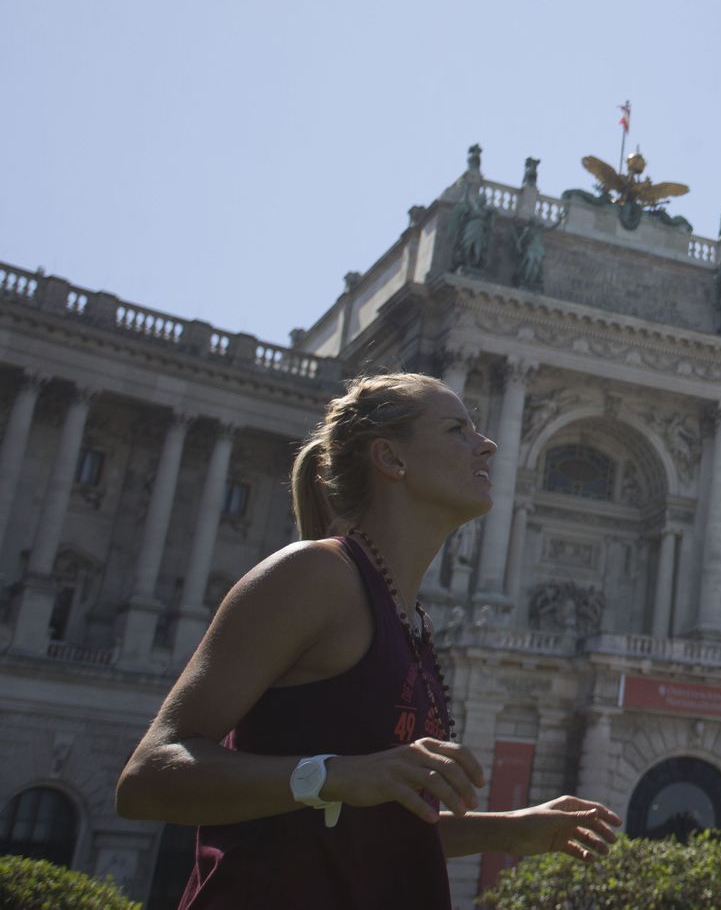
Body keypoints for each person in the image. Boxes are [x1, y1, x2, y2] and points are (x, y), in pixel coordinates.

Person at [116, 373, 622, 909]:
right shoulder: (314, 574)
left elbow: (365, 828)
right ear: (390, 458)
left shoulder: (412, 620)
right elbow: (146, 779)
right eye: (457, 429)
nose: (488, 443)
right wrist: (334, 774)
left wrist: (509, 831)